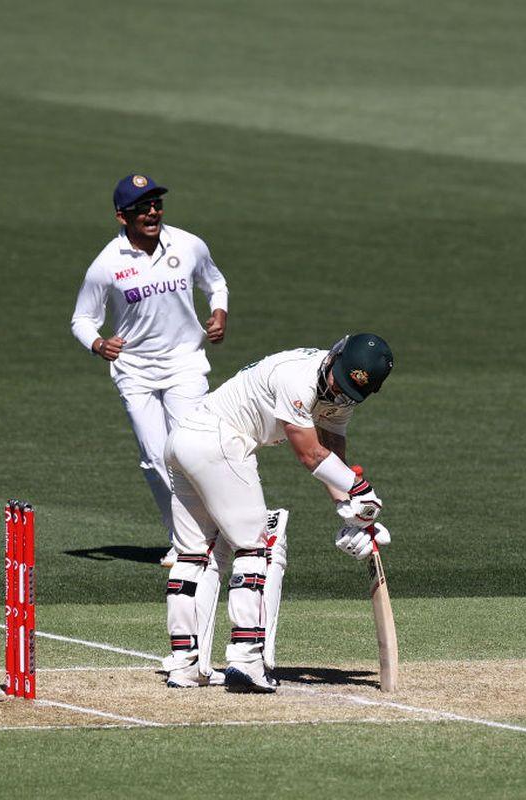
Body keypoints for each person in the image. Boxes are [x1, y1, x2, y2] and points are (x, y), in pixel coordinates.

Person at [162, 333, 395, 692]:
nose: (340, 392)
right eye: (341, 380)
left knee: (196, 552)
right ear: (336, 355)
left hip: (186, 441)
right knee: (260, 544)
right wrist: (361, 492)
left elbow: (330, 447)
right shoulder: (297, 376)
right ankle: (247, 659)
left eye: (351, 391)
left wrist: (349, 512)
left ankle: (185, 664)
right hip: (217, 439)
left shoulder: (342, 392)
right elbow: (310, 454)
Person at [70, 174, 229, 567]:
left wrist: (219, 313)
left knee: (193, 450)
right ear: (123, 216)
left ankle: (216, 532)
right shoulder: (107, 264)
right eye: (143, 207)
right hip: (135, 371)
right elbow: (81, 319)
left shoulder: (189, 244)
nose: (153, 212)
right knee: (156, 458)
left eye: (157, 204)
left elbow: (215, 282)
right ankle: (183, 539)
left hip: (184, 363)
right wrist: (98, 344)